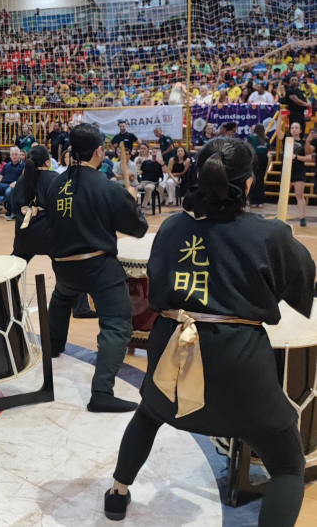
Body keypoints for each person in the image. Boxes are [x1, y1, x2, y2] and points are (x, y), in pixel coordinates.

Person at [104, 139, 315, 527]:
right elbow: (301, 291)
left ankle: (117, 491)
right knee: (287, 466)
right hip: (239, 370)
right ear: (248, 184)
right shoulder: (269, 236)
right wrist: (280, 243)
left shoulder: (170, 227)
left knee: (149, 412)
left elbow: (158, 284)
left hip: (172, 357)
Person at [46, 124, 148, 413]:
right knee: (117, 323)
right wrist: (131, 199)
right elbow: (138, 228)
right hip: (98, 268)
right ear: (100, 152)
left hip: (64, 267)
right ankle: (102, 392)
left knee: (62, 297)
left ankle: (53, 346)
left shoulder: (55, 184)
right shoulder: (106, 187)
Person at [11, 145, 58, 261]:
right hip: (48, 230)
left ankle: (10, 279)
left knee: (17, 263)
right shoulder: (55, 178)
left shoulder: (22, 178)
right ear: (47, 162)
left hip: (24, 229)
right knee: (62, 264)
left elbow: (15, 202)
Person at [277, 120, 314, 226]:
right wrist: (280, 118)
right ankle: (279, 216)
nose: (294, 129)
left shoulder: (303, 143)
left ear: (300, 130)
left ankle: (302, 218)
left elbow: (308, 158)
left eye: (296, 128)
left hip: (298, 170)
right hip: (286, 170)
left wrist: (296, 157)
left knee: (299, 195)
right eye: (292, 128)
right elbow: (278, 131)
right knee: (283, 195)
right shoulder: (286, 140)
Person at [0, 147, 23, 219]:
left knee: (8, 192)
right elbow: (0, 176)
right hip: (3, 184)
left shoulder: (23, 165)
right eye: (12, 154)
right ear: (10, 156)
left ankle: (11, 212)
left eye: (16, 154)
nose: (14, 156)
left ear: (19, 155)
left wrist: (16, 182)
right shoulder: (7, 165)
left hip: (14, 185)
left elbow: (23, 177)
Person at [248, 124, 270, 207]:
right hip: (264, 158)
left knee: (254, 178)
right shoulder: (266, 138)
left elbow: (249, 148)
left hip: (255, 158)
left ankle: (253, 200)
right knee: (261, 179)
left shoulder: (251, 137)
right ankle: (260, 201)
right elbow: (268, 148)